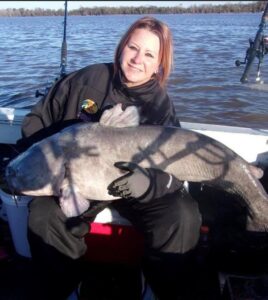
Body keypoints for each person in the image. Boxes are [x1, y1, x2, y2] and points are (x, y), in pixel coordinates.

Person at [17, 16, 202, 300]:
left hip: (133, 188)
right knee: (43, 215)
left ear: (159, 65)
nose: (138, 59)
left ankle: (159, 285)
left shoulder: (160, 104)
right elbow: (37, 121)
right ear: (121, 46)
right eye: (132, 47)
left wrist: (147, 185)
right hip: (76, 182)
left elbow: (174, 164)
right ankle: (66, 285)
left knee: (182, 216)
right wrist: (45, 161)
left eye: (149, 54)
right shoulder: (86, 79)